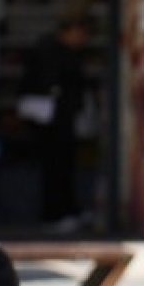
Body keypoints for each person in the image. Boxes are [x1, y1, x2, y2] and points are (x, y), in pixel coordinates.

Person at [19, 16, 90, 230]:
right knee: (56, 167)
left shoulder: (57, 51)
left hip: (59, 119)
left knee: (61, 167)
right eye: (80, 33)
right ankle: (56, 213)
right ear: (69, 31)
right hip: (53, 121)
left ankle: (65, 211)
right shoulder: (51, 52)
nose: (82, 39)